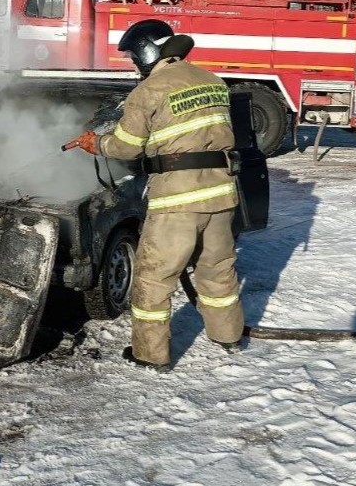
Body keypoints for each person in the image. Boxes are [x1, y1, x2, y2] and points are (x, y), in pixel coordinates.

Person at [66, 20, 244, 371]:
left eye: (134, 55)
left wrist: (95, 143)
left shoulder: (150, 90)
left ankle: (150, 355)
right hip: (222, 194)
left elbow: (127, 147)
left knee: (153, 278)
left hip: (177, 200)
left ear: (149, 50)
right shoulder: (213, 81)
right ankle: (228, 336)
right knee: (218, 269)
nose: (134, 63)